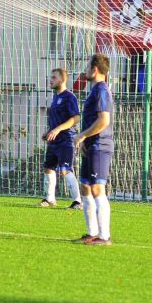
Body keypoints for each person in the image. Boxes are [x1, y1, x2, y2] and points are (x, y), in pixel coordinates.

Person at [73, 54, 115, 246]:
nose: (85, 69)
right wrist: (84, 140)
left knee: (98, 188)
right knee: (86, 187)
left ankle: (104, 236)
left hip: (100, 145)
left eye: (88, 65)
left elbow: (103, 120)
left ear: (95, 69)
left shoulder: (102, 90)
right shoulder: (94, 90)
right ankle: (92, 233)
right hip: (91, 145)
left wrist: (83, 135)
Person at [38, 68, 82, 209]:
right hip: (54, 141)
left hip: (66, 140)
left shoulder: (69, 97)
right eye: (50, 77)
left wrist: (57, 130)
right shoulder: (56, 97)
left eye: (54, 77)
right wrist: (49, 131)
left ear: (62, 80)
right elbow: (58, 119)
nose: (50, 80)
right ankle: (50, 199)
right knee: (48, 168)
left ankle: (78, 201)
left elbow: (76, 118)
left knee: (65, 169)